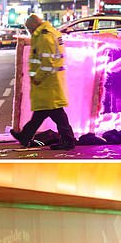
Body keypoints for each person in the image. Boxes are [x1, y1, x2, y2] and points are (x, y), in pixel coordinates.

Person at [10, 14, 76, 151]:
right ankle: (25, 136)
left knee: (54, 111)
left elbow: (47, 62)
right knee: (44, 111)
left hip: (48, 82)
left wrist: (37, 77)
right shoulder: (50, 33)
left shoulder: (44, 37)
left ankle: (68, 140)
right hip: (50, 81)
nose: (29, 32)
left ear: (33, 26)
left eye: (29, 29)